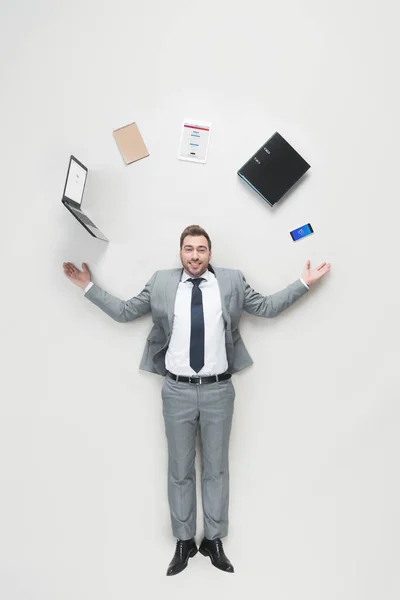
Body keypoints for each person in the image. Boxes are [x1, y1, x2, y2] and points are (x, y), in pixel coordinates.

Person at [62, 224, 331, 576]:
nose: (194, 256)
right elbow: (126, 311)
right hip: (177, 391)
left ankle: (214, 540)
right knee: (180, 470)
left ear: (209, 252)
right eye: (188, 249)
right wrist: (88, 287)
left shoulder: (231, 281)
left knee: (217, 469)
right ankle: (184, 541)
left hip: (219, 391)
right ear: (180, 252)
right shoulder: (161, 282)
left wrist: (303, 283)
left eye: (201, 249)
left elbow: (265, 307)